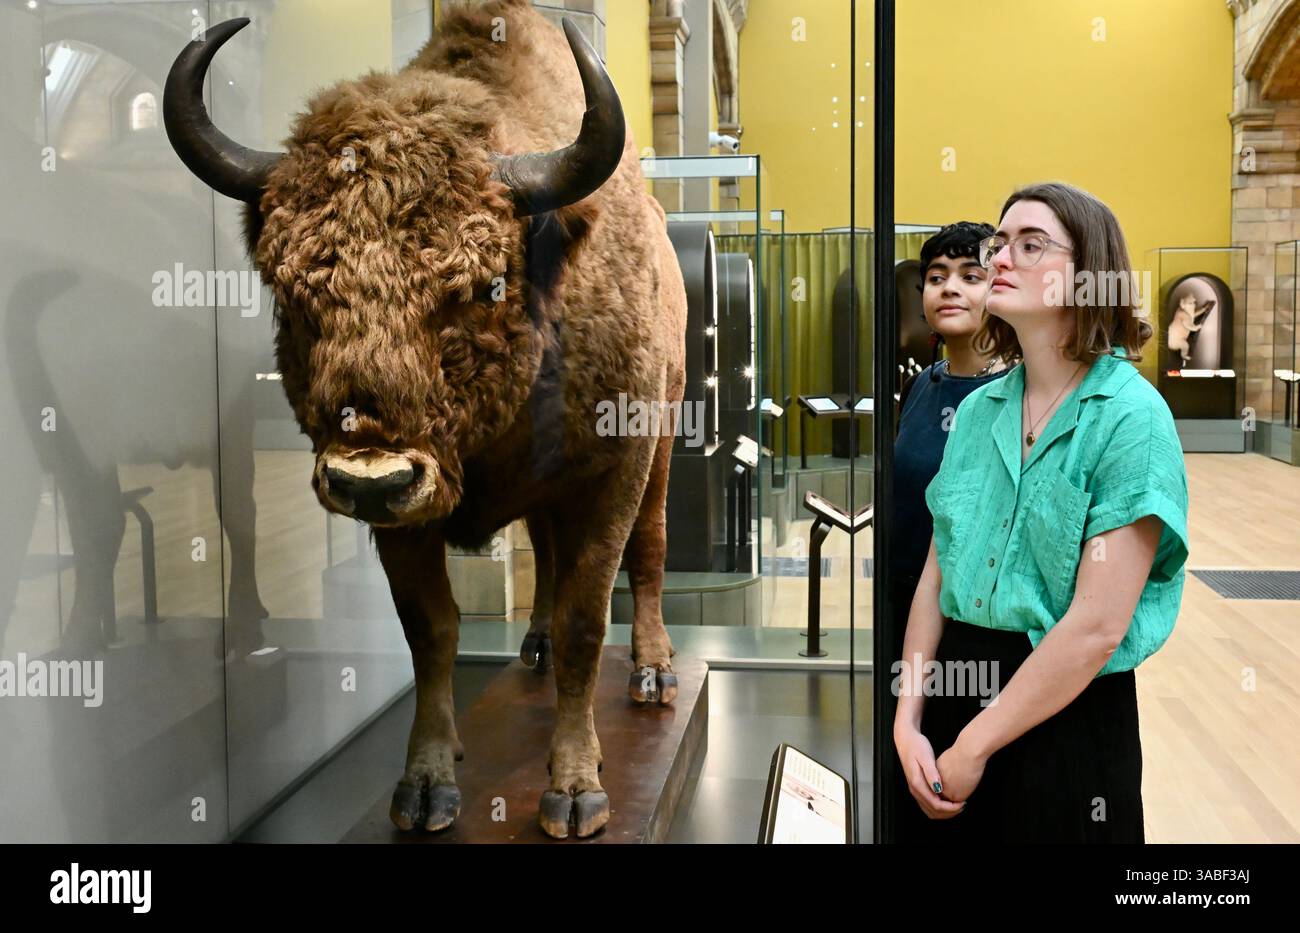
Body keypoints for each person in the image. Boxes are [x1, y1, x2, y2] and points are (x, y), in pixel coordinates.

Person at [892, 182, 1190, 843]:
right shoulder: (975, 412)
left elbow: (1095, 627)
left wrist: (974, 745)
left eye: (1030, 244)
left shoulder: (1131, 418)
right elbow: (936, 577)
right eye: (1001, 242)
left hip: (1064, 715)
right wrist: (907, 716)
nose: (1000, 256)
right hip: (949, 699)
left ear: (1088, 275)